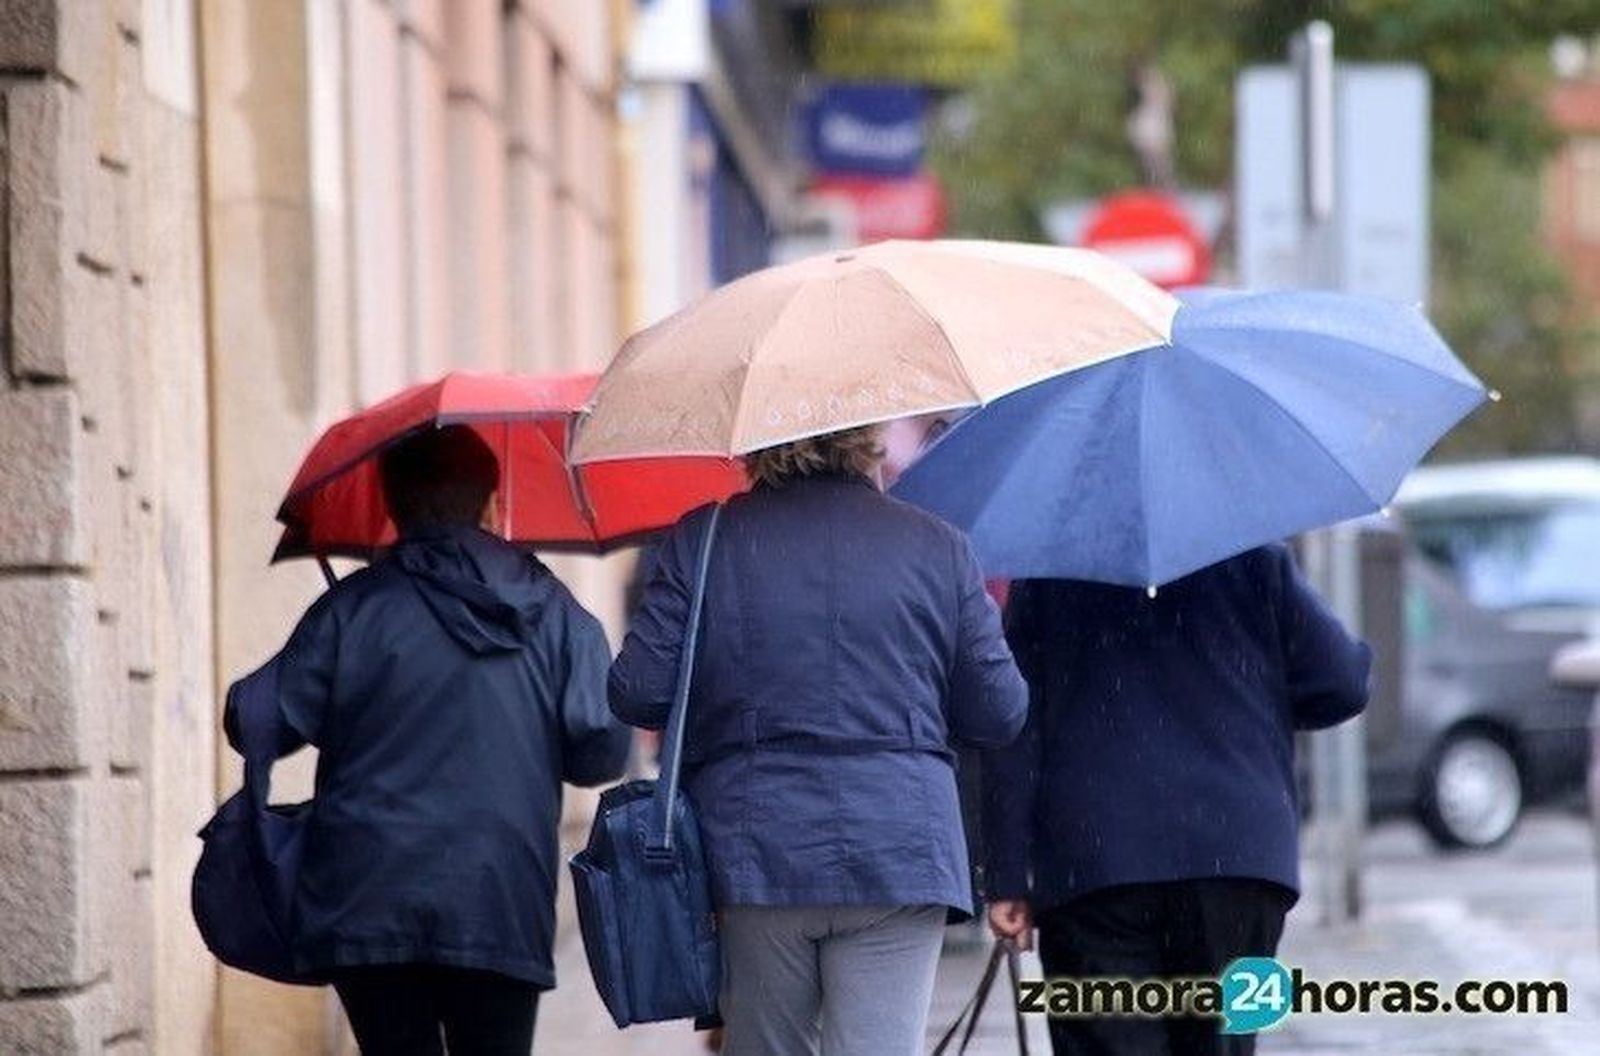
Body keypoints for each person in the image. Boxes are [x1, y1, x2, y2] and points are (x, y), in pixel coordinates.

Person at [610, 425, 1029, 1056]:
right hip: (900, 842)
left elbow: (637, 691)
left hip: (754, 848)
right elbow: (999, 711)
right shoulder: (937, 545)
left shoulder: (705, 541)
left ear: (756, 440)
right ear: (868, 439)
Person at [259, 425, 629, 1055]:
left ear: (392, 507)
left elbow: (259, 725)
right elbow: (601, 752)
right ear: (492, 504)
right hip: (499, 898)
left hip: (368, 898)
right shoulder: (556, 613)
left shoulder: (351, 609)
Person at [984, 546, 1372, 1056]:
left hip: (1096, 865)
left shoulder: (1053, 568)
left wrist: (1008, 877)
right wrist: (1257, 708)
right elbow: (1344, 683)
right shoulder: (1252, 553)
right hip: (1238, 858)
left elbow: (1013, 725)